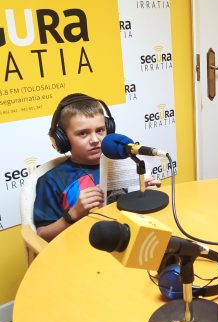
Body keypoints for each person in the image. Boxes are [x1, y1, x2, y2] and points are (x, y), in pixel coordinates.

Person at [34, 93, 161, 241]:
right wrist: (73, 214)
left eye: (100, 130)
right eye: (83, 133)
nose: (95, 140)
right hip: (82, 248)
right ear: (63, 139)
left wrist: (144, 193)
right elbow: (42, 236)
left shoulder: (127, 165)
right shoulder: (52, 181)